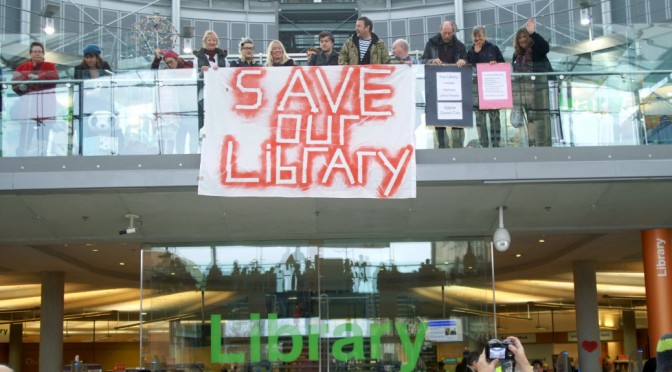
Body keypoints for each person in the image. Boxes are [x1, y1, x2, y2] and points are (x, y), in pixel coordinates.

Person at [421, 20, 468, 149]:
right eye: (444, 33)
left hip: (455, 88)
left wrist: (463, 61)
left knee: (457, 116)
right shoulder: (431, 43)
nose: (447, 36)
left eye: (449, 33)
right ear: (440, 30)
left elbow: (467, 60)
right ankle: (443, 147)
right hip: (437, 87)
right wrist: (432, 60)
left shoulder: (460, 46)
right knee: (439, 118)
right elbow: (423, 60)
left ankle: (458, 147)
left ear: (453, 32)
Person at [11, 41, 59, 156]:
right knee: (24, 139)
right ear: (30, 54)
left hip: (45, 110)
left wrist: (39, 77)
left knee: (43, 140)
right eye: (35, 52)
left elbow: (55, 76)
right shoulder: (22, 67)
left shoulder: (50, 66)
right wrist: (21, 87)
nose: (37, 54)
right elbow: (14, 83)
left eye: (40, 52)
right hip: (28, 109)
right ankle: (20, 161)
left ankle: (42, 162)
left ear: (43, 54)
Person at [512, 17, 553, 147]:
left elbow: (546, 47)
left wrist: (533, 33)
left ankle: (544, 145)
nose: (523, 40)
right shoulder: (516, 55)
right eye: (520, 38)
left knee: (541, 120)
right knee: (529, 120)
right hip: (526, 94)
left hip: (541, 91)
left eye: (525, 37)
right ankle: (532, 144)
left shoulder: (536, 48)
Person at [466, 26, 505, 148]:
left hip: (492, 89)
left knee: (494, 117)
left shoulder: (493, 48)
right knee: (480, 118)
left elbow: (503, 65)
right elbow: (469, 68)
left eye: (480, 36)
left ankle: (496, 143)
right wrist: (476, 53)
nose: (477, 39)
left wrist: (495, 64)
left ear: (485, 36)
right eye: (475, 37)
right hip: (477, 90)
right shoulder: (470, 52)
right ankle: (484, 144)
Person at [193, 30, 227, 151]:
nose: (212, 42)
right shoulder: (198, 57)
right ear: (204, 42)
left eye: (214, 40)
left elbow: (227, 74)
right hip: (205, 93)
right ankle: (202, 147)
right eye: (209, 40)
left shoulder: (222, 56)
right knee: (204, 118)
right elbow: (194, 74)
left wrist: (220, 71)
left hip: (219, 93)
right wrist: (201, 72)